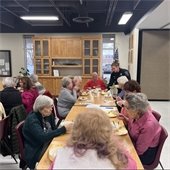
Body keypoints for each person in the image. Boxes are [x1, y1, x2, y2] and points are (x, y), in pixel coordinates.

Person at [51, 108, 137, 169]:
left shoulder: (62, 155)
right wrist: (119, 146)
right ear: (107, 130)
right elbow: (133, 166)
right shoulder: (120, 158)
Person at [22, 95, 73, 169]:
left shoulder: (48, 115)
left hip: (47, 143)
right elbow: (42, 137)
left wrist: (63, 130)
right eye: (49, 107)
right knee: (62, 158)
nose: (51, 109)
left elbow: (54, 129)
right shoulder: (32, 120)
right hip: (36, 149)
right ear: (41, 108)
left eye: (52, 106)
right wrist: (63, 129)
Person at [123, 93, 161, 165]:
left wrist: (124, 151)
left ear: (136, 109)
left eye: (127, 107)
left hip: (145, 154)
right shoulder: (136, 114)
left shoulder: (148, 125)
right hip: (134, 143)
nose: (125, 109)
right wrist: (126, 119)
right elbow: (135, 127)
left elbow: (139, 150)